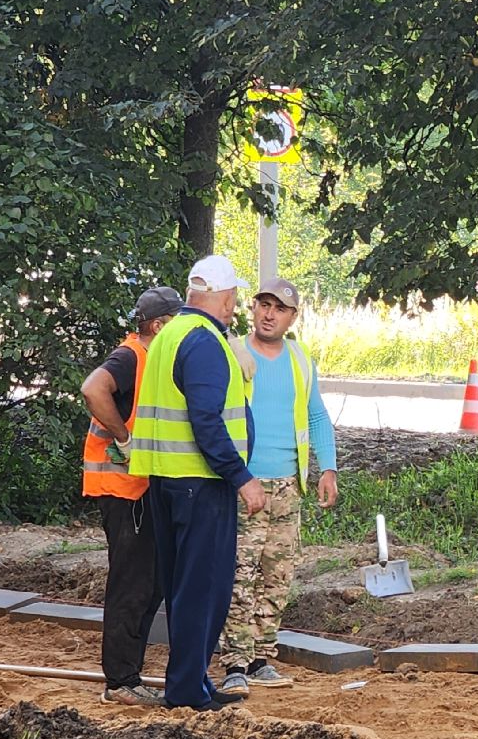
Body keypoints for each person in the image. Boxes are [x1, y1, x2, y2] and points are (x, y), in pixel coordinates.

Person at [128, 255, 267, 711]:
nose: (235, 307)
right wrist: (242, 477)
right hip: (201, 484)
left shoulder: (168, 334)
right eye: (234, 299)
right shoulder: (205, 340)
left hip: (165, 480)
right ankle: (188, 691)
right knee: (202, 589)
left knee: (182, 586)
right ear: (224, 297)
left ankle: (189, 684)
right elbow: (207, 420)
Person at [218, 278, 339, 696]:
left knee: (276, 575)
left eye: (279, 308)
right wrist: (236, 475)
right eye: (263, 305)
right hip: (244, 483)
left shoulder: (300, 360)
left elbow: (317, 415)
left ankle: (259, 657)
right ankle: (233, 660)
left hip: (288, 485)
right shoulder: (233, 354)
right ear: (252, 308)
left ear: (292, 317)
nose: (269, 314)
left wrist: (328, 468)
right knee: (239, 575)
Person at [79, 285, 182, 706]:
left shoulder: (151, 358)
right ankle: (121, 682)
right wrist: (125, 437)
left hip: (136, 489)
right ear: (158, 325)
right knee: (132, 584)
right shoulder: (130, 357)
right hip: (123, 490)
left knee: (149, 581)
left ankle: (127, 675)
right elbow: (92, 389)